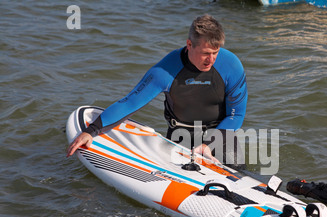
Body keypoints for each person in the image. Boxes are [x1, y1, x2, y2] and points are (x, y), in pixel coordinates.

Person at [66, 14, 248, 164]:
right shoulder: (166, 70)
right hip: (180, 137)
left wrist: (208, 144)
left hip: (222, 135)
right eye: (206, 53)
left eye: (215, 53)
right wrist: (92, 131)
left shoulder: (231, 66)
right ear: (189, 45)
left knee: (240, 182)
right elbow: (130, 102)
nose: (211, 59)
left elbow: (236, 115)